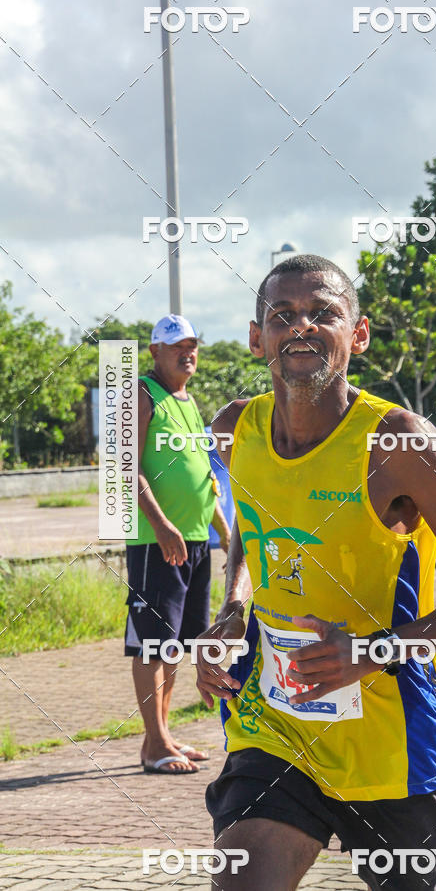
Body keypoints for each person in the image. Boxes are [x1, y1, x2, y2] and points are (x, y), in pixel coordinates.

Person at [196, 255, 436, 888]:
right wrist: (234, 611)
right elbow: (253, 528)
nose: (302, 327)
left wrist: (373, 652)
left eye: (324, 313)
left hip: (390, 736)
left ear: (359, 334)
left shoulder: (398, 444)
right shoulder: (235, 430)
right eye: (283, 314)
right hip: (277, 726)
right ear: (255, 336)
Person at [125, 314, 231, 775]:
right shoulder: (142, 393)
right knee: (152, 643)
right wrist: (163, 525)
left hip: (195, 540)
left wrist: (227, 533)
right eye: (176, 346)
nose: (188, 352)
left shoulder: (186, 402)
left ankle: (162, 736)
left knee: (173, 643)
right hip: (158, 540)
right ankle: (155, 743)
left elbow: (203, 477)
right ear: (155, 352)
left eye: (192, 345)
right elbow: (128, 468)